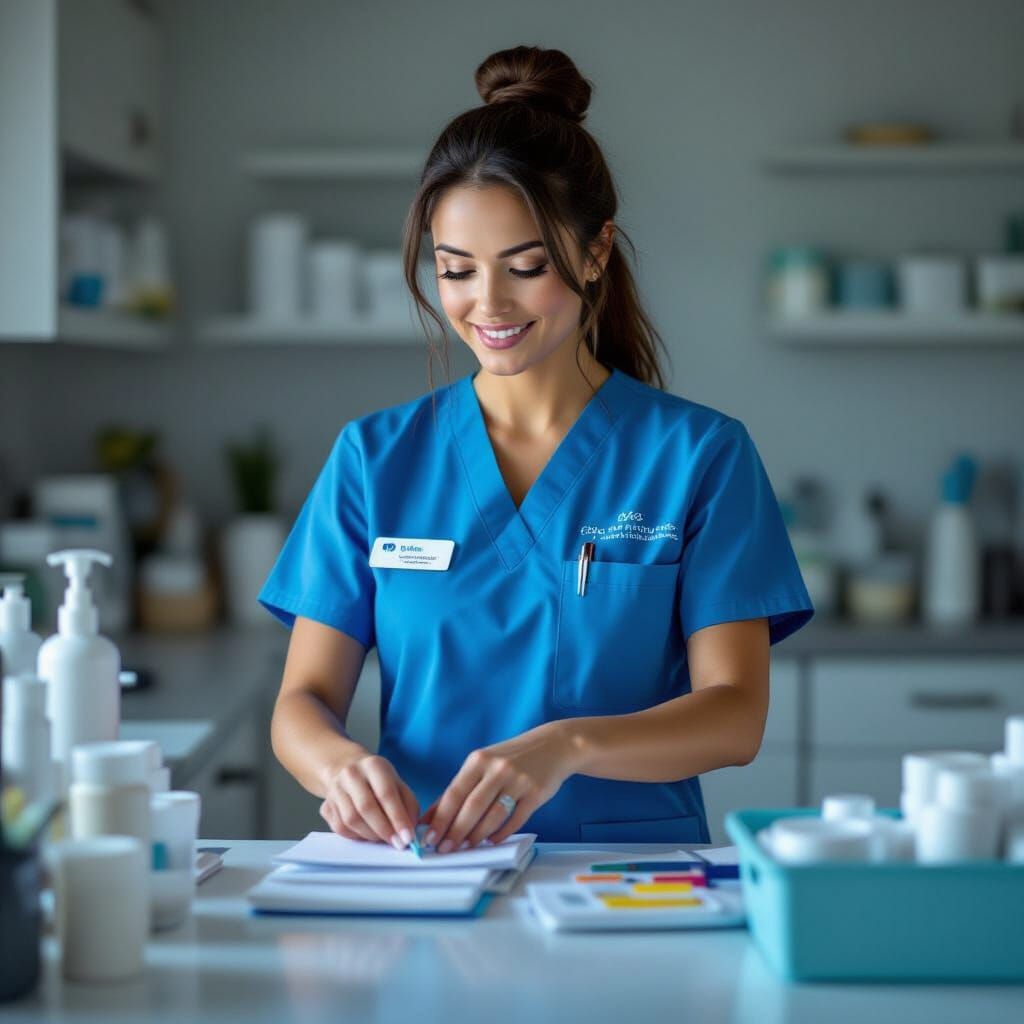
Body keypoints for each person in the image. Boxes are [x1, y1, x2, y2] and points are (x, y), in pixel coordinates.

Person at [259, 45, 814, 852]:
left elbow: (734, 715)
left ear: (595, 253)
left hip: (625, 881)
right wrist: (339, 766)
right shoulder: (376, 458)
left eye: (525, 267)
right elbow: (301, 701)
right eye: (455, 271)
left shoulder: (700, 456)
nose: (488, 304)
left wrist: (571, 744)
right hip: (425, 875)